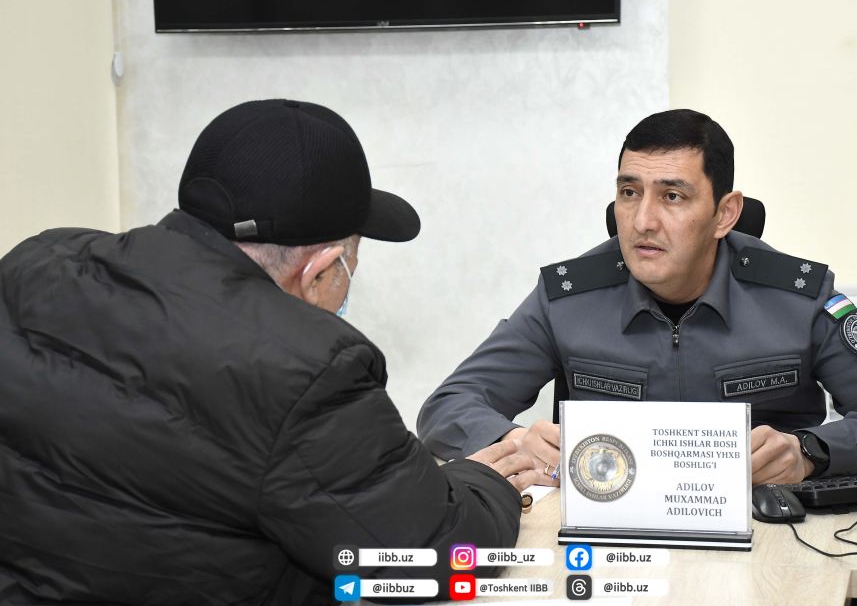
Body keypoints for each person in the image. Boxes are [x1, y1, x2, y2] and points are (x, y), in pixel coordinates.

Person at [0, 99, 533, 605]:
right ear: (320, 271)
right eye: (349, 268)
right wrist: (481, 483)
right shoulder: (309, 369)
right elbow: (430, 556)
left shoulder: (39, 263)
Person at [417, 108, 857, 486]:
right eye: (629, 192)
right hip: (609, 535)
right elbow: (448, 406)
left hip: (766, 532)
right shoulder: (568, 298)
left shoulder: (796, 297)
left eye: (673, 196)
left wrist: (812, 452)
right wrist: (514, 441)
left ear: (725, 213)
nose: (642, 221)